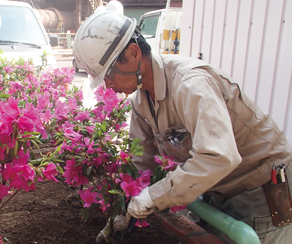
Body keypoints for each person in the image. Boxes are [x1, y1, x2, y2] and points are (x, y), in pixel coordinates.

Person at [73, 11, 292, 244]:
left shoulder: (191, 85)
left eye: (108, 74)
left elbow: (219, 157)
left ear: (134, 53)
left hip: (260, 190)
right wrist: (122, 212)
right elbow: (139, 162)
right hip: (218, 190)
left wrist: (154, 196)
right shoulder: (141, 103)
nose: (107, 84)